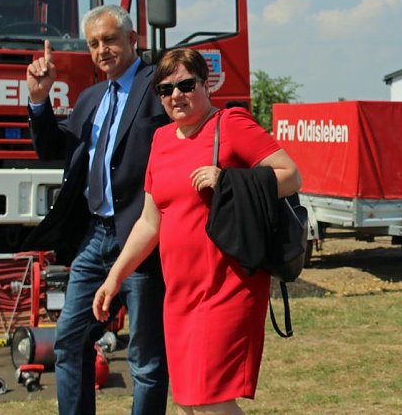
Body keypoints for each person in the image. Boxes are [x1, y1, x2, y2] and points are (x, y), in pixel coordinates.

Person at [92, 48, 301, 415]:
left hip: (228, 287)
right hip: (180, 295)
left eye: (186, 85)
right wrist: (114, 277)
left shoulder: (230, 124)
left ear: (206, 86)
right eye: (166, 89)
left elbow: (290, 175)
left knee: (211, 401)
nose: (176, 95)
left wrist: (228, 181)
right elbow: (149, 222)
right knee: (188, 402)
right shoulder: (161, 140)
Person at [22, 4, 169, 414]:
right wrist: (39, 100)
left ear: (133, 40)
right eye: (94, 44)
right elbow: (54, 149)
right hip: (94, 238)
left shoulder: (158, 84)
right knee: (69, 342)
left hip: (141, 239)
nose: (102, 50)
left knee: (145, 358)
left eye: (110, 40)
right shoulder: (90, 98)